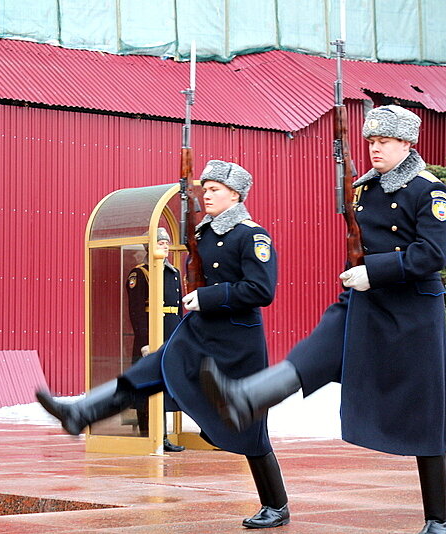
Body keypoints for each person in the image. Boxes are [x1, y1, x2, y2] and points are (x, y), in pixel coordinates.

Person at [201, 105, 446, 534]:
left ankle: (439, 519)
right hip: (362, 299)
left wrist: (374, 271)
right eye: (371, 141)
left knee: (423, 413)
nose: (375, 148)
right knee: (314, 352)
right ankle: (244, 399)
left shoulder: (429, 191)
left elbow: (434, 254)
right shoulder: (366, 188)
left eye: (385, 142)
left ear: (408, 144)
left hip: (411, 310)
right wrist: (359, 274)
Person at [36, 160, 290, 529]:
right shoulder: (202, 234)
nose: (207, 195)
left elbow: (261, 290)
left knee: (248, 426)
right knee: (146, 372)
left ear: (235, 194)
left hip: (235, 341)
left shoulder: (252, 236)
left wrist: (209, 297)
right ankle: (81, 414)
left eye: (215, 189)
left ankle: (276, 505)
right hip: (198, 332)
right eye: (205, 189)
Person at [125, 227, 184, 452]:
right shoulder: (140, 274)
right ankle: (147, 434)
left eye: (167, 243)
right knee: (146, 384)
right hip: (150, 336)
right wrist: (144, 342)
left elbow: (178, 310)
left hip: (170, 333)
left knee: (165, 384)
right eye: (160, 243)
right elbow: (136, 312)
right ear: (149, 246)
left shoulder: (173, 272)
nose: (165, 246)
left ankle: (163, 435)